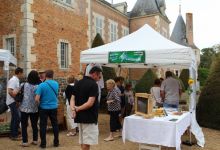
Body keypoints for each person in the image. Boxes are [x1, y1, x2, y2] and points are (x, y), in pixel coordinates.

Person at [70, 66, 102, 150]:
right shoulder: (93, 85)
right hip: (89, 117)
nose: (100, 78)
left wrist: (73, 109)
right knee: (87, 143)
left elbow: (72, 98)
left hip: (80, 117)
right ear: (95, 74)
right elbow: (90, 103)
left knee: (83, 141)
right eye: (99, 76)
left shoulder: (78, 83)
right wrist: (76, 109)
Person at [35, 70, 59, 148]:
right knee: (55, 125)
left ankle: (43, 144)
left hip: (44, 108)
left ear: (45, 75)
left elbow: (36, 99)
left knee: (43, 126)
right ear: (53, 75)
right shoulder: (56, 84)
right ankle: (56, 142)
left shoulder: (41, 85)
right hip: (54, 107)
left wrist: (39, 104)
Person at [19, 70, 40, 147]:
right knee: (34, 125)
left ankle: (25, 141)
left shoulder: (23, 85)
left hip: (24, 108)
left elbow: (16, 92)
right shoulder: (38, 86)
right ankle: (35, 140)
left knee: (24, 125)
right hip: (34, 108)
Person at [6, 67, 24, 140]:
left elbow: (14, 91)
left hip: (13, 101)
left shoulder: (15, 80)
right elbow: (10, 91)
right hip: (12, 101)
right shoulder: (13, 80)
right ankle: (14, 135)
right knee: (17, 118)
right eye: (22, 73)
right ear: (19, 73)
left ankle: (13, 134)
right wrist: (16, 100)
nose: (22, 75)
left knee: (14, 118)